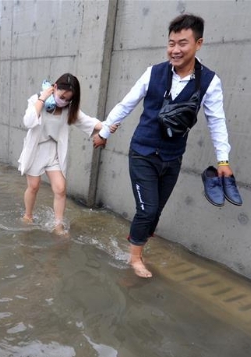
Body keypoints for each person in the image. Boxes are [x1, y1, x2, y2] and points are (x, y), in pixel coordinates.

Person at [93, 13, 233, 278]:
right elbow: (127, 103)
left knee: (154, 213)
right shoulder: (153, 72)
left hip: (172, 157)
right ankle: (135, 258)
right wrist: (105, 131)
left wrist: (223, 161)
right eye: (171, 43)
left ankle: (138, 237)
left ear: (198, 44)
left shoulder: (210, 82)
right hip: (143, 152)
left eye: (182, 43)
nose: (175, 50)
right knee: (147, 209)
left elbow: (217, 122)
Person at [19, 73, 116, 236]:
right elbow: (28, 122)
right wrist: (42, 98)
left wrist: (107, 126)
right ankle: (28, 215)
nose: (63, 100)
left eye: (68, 99)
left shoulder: (69, 109)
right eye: (61, 96)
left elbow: (89, 122)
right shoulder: (37, 100)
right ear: (54, 87)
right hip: (36, 150)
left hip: (53, 152)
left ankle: (58, 226)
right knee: (34, 186)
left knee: (60, 188)